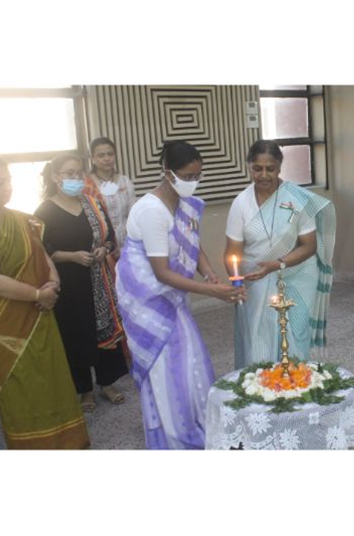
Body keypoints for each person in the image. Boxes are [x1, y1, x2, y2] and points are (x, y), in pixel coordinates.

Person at [115, 140, 245, 450]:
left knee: (192, 360)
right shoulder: (151, 211)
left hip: (172, 298)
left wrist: (209, 273)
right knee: (169, 366)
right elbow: (161, 272)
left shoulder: (185, 204)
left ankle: (199, 420)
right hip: (149, 301)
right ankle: (176, 434)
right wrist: (213, 291)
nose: (193, 182)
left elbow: (193, 245)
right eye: (187, 176)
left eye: (198, 175)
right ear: (167, 173)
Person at [0, 155, 90, 449]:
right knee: (22, 387)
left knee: (53, 378)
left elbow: (43, 257)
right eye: (0, 182)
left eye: (9, 180)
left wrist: (53, 284)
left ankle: (65, 441)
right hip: (5, 325)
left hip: (41, 314)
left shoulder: (23, 220)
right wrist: (37, 295)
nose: (8, 187)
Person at [225, 140, 336, 369]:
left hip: (297, 275)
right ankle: (262, 383)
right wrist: (236, 281)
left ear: (279, 167)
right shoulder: (241, 204)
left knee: (296, 334)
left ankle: (295, 380)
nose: (264, 175)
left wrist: (276, 264)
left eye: (270, 168)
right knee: (260, 337)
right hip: (257, 278)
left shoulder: (295, 199)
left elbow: (309, 245)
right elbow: (232, 252)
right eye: (257, 169)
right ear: (249, 167)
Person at [34, 153, 128, 413]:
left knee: (103, 330)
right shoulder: (44, 211)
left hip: (99, 280)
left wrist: (103, 249)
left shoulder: (92, 203)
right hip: (68, 284)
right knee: (76, 334)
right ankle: (84, 389)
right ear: (56, 177)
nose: (76, 178)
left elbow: (110, 238)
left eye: (79, 173)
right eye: (69, 173)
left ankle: (107, 383)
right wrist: (71, 256)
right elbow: (40, 250)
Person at [84, 137, 136, 257]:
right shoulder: (87, 185)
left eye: (110, 154)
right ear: (92, 159)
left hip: (127, 243)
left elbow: (133, 214)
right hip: (100, 247)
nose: (107, 158)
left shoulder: (125, 181)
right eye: (101, 155)